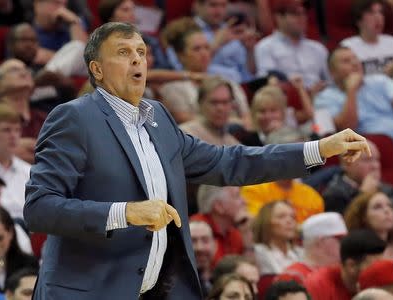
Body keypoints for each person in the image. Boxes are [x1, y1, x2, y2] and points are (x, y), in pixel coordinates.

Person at [24, 22, 371, 299]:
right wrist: (124, 212)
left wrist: (319, 148)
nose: (137, 60)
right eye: (123, 52)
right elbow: (39, 208)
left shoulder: (158, 117)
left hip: (157, 290)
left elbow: (229, 162)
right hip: (90, 291)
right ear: (97, 69)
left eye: (141, 52)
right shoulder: (73, 118)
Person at [314, 46, 393, 149]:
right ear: (332, 72)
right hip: (369, 150)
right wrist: (351, 91)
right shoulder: (323, 98)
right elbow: (345, 129)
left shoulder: (381, 81)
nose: (354, 63)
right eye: (346, 61)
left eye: (355, 58)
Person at [322, 140, 393, 238]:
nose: (375, 166)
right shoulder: (334, 195)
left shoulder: (390, 191)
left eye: (377, 160)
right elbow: (347, 235)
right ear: (347, 164)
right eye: (367, 160)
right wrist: (362, 196)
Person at [254, 0, 329, 92]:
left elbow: (330, 81)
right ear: (279, 17)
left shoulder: (318, 49)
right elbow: (267, 83)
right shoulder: (265, 47)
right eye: (295, 14)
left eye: (303, 13)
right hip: (287, 98)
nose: (301, 18)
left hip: (321, 100)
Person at [344, 192, 393, 277]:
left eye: (390, 206)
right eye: (377, 207)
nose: (387, 210)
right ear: (363, 217)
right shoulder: (356, 252)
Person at [341, 0, 393, 82]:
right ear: (359, 20)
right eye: (371, 13)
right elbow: (348, 83)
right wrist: (387, 73)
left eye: (380, 12)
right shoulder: (347, 47)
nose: (378, 17)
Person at [304, 229, 386, 300]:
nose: (380, 270)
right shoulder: (318, 285)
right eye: (374, 266)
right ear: (351, 266)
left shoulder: (382, 283)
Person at [275, 212, 348, 284]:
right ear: (321, 242)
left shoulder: (340, 273)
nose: (344, 244)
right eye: (340, 240)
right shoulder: (292, 277)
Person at [190, 185, 247, 265]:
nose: (245, 201)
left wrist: (246, 234)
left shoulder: (234, 232)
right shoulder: (196, 230)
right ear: (219, 206)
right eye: (237, 196)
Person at [252, 201, 303, 274]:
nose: (289, 221)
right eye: (281, 216)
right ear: (266, 221)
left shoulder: (301, 253)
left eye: (293, 217)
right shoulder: (257, 252)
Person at [190, 220, 217, 296]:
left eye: (205, 240)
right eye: (193, 241)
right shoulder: (173, 284)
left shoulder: (223, 278)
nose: (199, 248)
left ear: (215, 245)